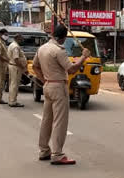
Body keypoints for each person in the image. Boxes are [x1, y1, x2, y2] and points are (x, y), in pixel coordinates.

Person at [32, 26, 90, 165]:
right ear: (63, 38)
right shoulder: (59, 50)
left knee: (47, 120)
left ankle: (44, 150)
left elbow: (35, 66)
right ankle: (57, 154)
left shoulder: (42, 48)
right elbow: (71, 69)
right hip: (58, 86)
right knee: (59, 121)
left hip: (48, 86)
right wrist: (83, 57)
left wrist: (44, 80)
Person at [6, 33, 28, 108]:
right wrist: (22, 67)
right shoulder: (15, 46)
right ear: (18, 38)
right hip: (16, 67)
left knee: (12, 84)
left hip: (12, 66)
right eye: (21, 38)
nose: (22, 40)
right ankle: (13, 101)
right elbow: (16, 59)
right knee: (14, 85)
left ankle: (11, 100)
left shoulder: (12, 44)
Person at [0, 28, 11, 104]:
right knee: (0, 81)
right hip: (0, 62)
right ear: (1, 34)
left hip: (1, 62)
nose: (7, 36)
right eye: (5, 35)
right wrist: (7, 60)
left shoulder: (2, 41)